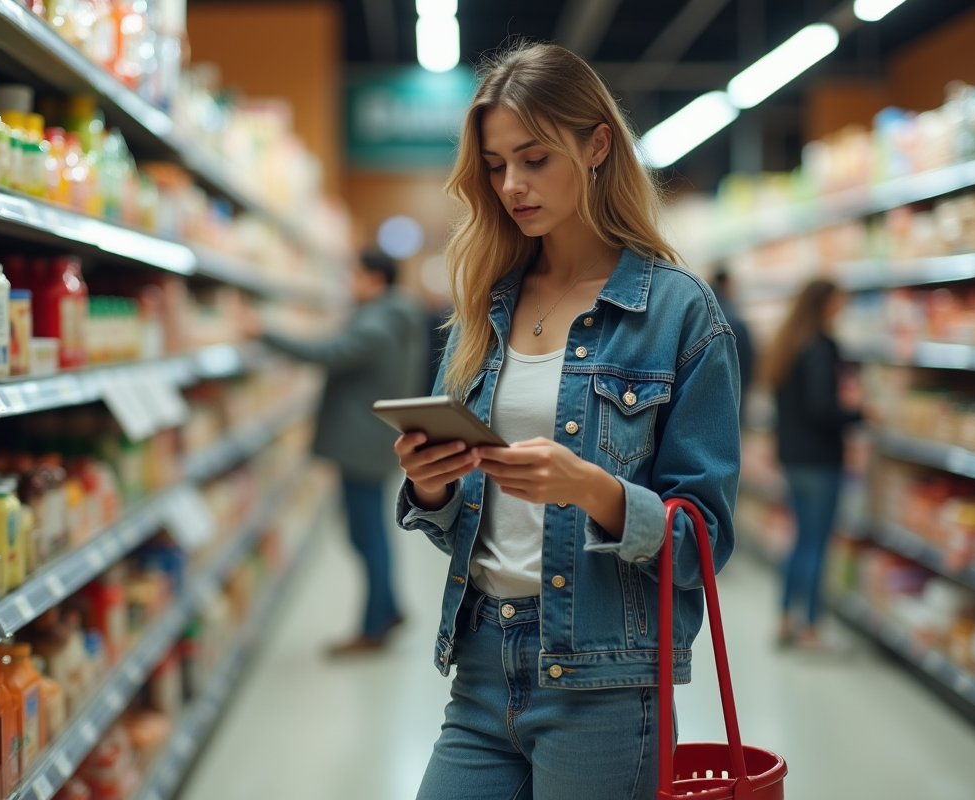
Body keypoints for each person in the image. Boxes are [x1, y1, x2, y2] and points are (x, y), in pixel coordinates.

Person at [391, 43, 740, 800]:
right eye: (494, 164)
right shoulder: (487, 305)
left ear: (597, 145)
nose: (512, 185)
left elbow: (705, 544)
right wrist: (432, 490)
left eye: (535, 158)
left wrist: (593, 489)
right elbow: (471, 519)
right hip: (482, 664)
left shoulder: (680, 314)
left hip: (606, 680)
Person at [248, 249, 427, 655]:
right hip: (371, 440)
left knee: (367, 534)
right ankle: (389, 608)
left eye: (355, 273)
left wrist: (264, 330)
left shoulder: (378, 323)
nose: (349, 282)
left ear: (375, 280)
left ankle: (373, 628)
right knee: (367, 532)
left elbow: (325, 354)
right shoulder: (394, 315)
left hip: (362, 444)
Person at [763, 279, 860, 649]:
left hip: (794, 459)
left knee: (801, 540)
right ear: (825, 303)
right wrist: (858, 414)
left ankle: (787, 618)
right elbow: (822, 407)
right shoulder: (819, 348)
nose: (843, 305)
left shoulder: (789, 343)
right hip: (819, 461)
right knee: (817, 544)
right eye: (839, 299)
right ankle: (813, 628)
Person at [711, 266, 755, 426]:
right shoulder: (733, 318)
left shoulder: (705, 311)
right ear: (726, 284)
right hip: (734, 385)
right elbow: (748, 356)